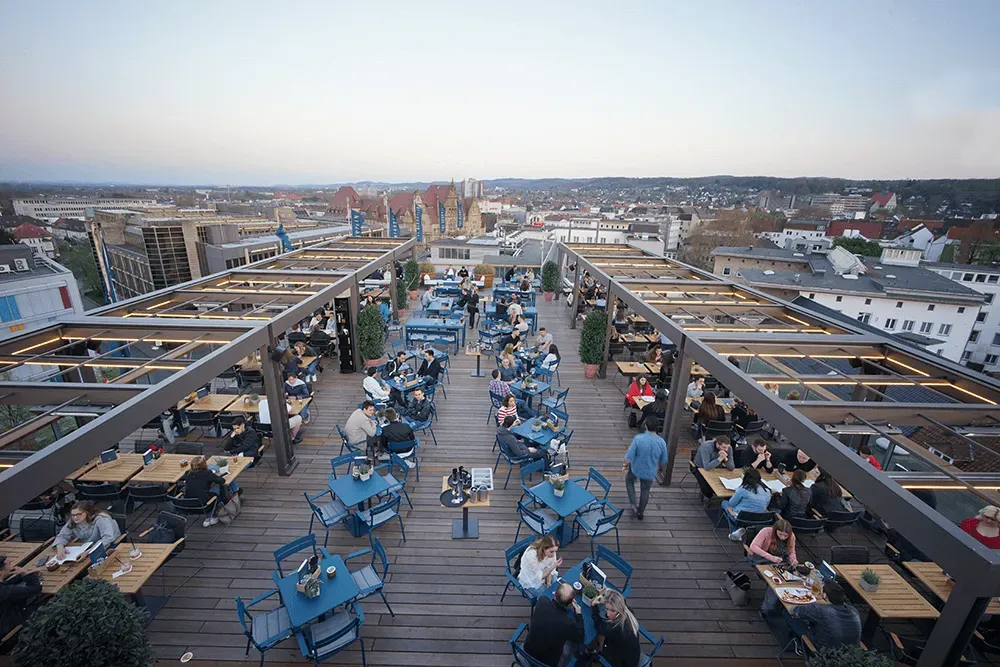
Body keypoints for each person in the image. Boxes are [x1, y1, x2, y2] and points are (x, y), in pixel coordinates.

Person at [762, 580, 861, 652]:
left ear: (825, 596)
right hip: (850, 652)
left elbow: (794, 611)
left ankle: (798, 644)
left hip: (824, 650)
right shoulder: (854, 611)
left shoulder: (820, 609)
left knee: (787, 613)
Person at [523, 583, 584, 667]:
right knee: (572, 644)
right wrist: (579, 614)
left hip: (527, 650)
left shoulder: (542, 600)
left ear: (555, 594)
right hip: (547, 663)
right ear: (570, 604)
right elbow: (581, 638)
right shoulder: (568, 623)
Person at [623, 420, 668, 520]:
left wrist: (625, 465)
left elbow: (629, 455)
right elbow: (664, 459)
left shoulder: (638, 439)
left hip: (636, 468)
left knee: (629, 481)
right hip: (650, 471)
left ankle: (633, 503)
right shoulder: (661, 442)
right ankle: (641, 511)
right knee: (645, 490)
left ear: (645, 426)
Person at [53, 501, 121, 559]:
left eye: (78, 514)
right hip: (87, 547)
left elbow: (107, 539)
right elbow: (62, 535)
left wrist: (88, 552)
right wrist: (60, 548)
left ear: (87, 512)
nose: (75, 517)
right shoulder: (73, 521)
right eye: (73, 515)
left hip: (108, 546)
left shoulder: (101, 519)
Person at [722, 468, 772, 539]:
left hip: (741, 518)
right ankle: (739, 530)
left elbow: (731, 504)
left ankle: (735, 531)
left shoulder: (743, 490)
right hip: (759, 518)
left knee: (724, 503)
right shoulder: (767, 491)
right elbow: (766, 504)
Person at [595, 590, 641, 667]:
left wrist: (594, 607)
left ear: (619, 610)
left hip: (622, 663)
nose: (608, 613)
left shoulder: (616, 628)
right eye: (607, 609)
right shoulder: (628, 611)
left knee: (600, 636)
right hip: (634, 655)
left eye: (612, 611)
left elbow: (599, 626)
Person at [184, 455, 228, 527]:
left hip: (188, 503)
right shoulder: (207, 473)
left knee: (200, 490)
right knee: (216, 487)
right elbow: (222, 481)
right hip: (202, 505)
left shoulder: (187, 474)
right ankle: (209, 518)